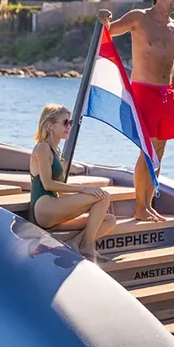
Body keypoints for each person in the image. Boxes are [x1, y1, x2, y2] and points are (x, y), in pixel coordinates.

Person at [97, 0, 174, 222]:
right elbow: (109, 33)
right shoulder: (139, 18)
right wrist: (104, 21)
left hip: (166, 95)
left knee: (159, 150)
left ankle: (148, 204)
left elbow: (173, 64)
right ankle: (140, 206)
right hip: (144, 91)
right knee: (147, 149)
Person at [29, 104, 116, 260]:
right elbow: (48, 184)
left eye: (70, 122)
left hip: (54, 206)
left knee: (109, 220)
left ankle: (75, 243)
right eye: (65, 122)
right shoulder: (42, 148)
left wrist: (82, 195)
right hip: (43, 208)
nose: (69, 126)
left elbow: (60, 190)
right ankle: (87, 246)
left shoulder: (57, 151)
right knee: (103, 196)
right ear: (49, 125)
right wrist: (83, 190)